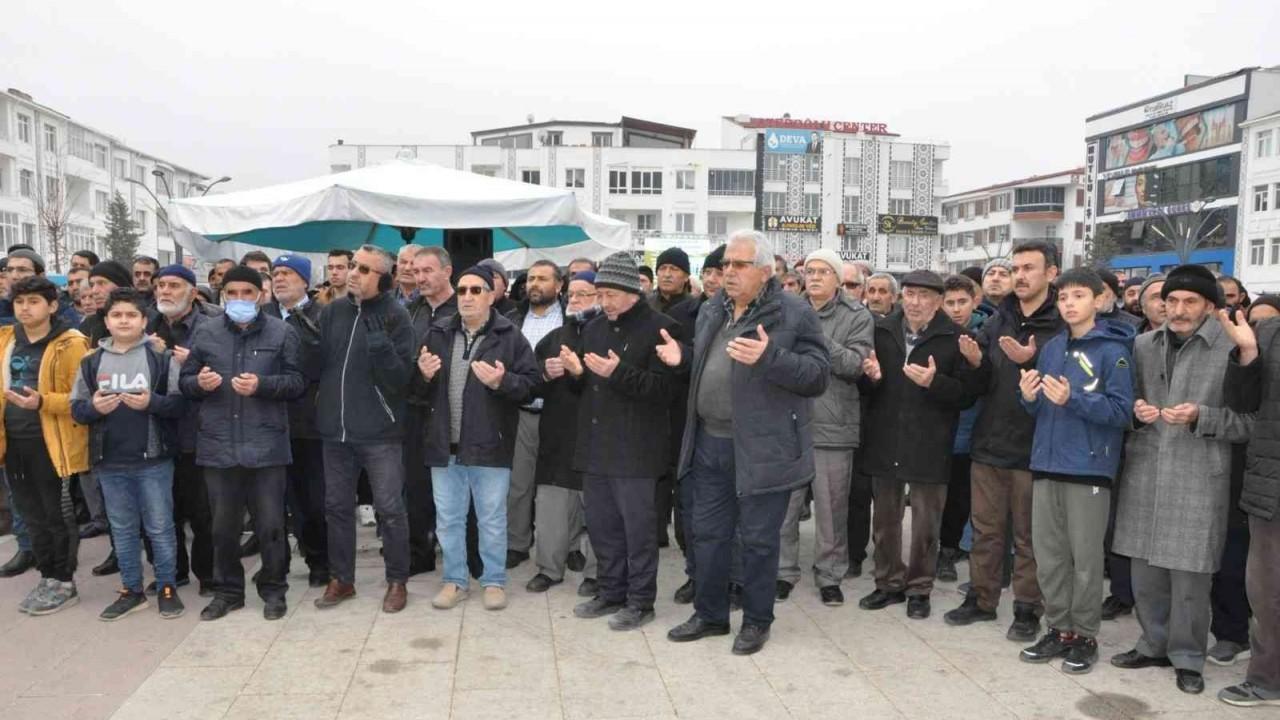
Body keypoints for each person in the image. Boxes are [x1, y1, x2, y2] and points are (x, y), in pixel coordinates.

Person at [665, 230, 829, 655]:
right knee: (708, 534)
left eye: (739, 266)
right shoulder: (711, 310)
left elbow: (816, 376)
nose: (728, 273)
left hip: (763, 450)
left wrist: (771, 357)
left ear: (765, 270)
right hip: (709, 443)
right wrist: (683, 359)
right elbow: (710, 366)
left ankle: (757, 620)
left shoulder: (794, 314)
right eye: (725, 266)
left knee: (758, 541)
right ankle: (711, 614)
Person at [1110, 264, 1250, 695]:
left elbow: (1249, 423)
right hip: (1146, 469)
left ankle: (1188, 656)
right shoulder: (1141, 345)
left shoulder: (1232, 348)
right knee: (1145, 567)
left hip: (1199, 473)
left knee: (1190, 574)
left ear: (1210, 306)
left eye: (1190, 301)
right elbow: (1125, 403)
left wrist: (1199, 417)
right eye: (1171, 300)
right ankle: (1152, 643)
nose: (1179, 309)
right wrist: (1136, 413)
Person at [1015, 268, 1134, 675]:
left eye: (1078, 295)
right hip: (1046, 463)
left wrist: (1075, 400)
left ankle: (1085, 635)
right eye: (1063, 297)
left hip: (1088, 468)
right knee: (1048, 557)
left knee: (1085, 559)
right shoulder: (1051, 348)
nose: (1068, 303)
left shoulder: (1113, 349)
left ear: (1099, 301)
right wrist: (1030, 399)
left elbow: (1122, 412)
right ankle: (1059, 628)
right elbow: (1044, 407)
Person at [945, 241, 1063, 642]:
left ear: (1051, 273)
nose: (1021, 276)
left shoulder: (1061, 323)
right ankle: (981, 598)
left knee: (1029, 537)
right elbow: (980, 385)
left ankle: (1028, 608)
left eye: (1029, 267)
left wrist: (1030, 360)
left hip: (1036, 447)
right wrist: (975, 363)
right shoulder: (999, 319)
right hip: (989, 443)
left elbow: (1066, 387)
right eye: (1016, 268)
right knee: (986, 530)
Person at [180, 266, 304, 621]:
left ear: (261, 295)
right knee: (222, 527)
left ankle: (274, 590)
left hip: (266, 446)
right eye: (231, 293)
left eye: (246, 293)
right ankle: (228, 591)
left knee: (271, 525)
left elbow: (297, 383)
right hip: (219, 445)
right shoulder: (206, 332)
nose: (238, 300)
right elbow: (186, 381)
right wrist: (199, 383)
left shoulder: (282, 332)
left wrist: (263, 386)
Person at [858, 270, 980, 620]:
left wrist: (934, 383)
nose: (914, 302)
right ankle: (887, 583)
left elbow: (967, 395)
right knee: (884, 519)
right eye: (909, 294)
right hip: (885, 438)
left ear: (939, 301)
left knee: (927, 522)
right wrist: (871, 378)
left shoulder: (956, 338)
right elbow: (864, 388)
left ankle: (919, 588)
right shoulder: (880, 330)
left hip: (931, 442)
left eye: (923, 296)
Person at [416, 265, 538, 612]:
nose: (467, 296)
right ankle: (455, 580)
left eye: (476, 290)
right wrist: (422, 377)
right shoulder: (437, 332)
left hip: (490, 445)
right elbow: (415, 394)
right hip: (444, 446)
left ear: (491, 295)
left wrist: (503, 383)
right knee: (449, 519)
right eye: (462, 290)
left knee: (492, 519)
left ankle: (494, 580)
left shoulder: (510, 336)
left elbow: (531, 386)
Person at [568, 251, 678, 632]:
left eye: (611, 295)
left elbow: (665, 390)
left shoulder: (662, 328)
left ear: (632, 292)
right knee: (602, 528)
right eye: (600, 295)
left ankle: (640, 600)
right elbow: (587, 389)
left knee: (639, 533)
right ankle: (610, 591)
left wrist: (619, 374)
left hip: (637, 452)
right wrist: (576, 374)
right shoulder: (594, 329)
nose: (604, 302)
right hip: (597, 448)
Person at [71, 288, 188, 621]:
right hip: (109, 462)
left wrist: (153, 402)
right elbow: (76, 409)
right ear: (106, 320)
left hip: (153, 460)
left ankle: (167, 586)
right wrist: (93, 407)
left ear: (143, 320)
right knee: (121, 529)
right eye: (117, 315)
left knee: (160, 526)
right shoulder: (91, 361)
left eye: (131, 315)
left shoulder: (160, 359)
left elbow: (180, 405)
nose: (124, 320)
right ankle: (132, 590)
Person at [314, 245, 416, 614]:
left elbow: (402, 381)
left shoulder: (396, 316)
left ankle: (397, 581)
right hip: (335, 432)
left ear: (384, 279)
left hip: (380, 432)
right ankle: (342, 580)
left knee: (390, 508)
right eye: (353, 265)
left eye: (365, 269)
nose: (354, 273)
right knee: (337, 507)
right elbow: (320, 366)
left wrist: (380, 346)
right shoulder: (334, 311)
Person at [777, 249, 872, 605]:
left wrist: (817, 335)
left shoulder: (856, 315)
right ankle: (783, 571)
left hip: (833, 425)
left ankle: (829, 574)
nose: (813, 277)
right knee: (785, 507)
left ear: (836, 278)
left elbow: (853, 364)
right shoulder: (786, 308)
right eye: (809, 271)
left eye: (822, 272)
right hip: (788, 423)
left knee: (831, 509)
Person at [1, 277, 90, 615]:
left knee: (58, 515)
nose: (25, 308)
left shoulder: (72, 344)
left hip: (54, 443)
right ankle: (47, 574)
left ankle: (64, 581)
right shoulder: (6, 339)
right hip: (14, 441)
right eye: (20, 302)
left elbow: (83, 399)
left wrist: (42, 402)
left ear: (52, 306)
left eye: (33, 301)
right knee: (30, 514)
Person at [1218, 304, 1280, 708]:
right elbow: (1240, 403)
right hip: (1272, 488)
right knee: (1267, 592)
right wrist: (1247, 353)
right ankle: (1267, 679)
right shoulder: (1268, 334)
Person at [146, 265, 219, 597]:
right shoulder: (148, 325)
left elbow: (224, 370)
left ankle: (208, 574)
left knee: (202, 511)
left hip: (197, 431)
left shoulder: (210, 327)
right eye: (161, 285)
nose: (165, 291)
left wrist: (192, 363)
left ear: (192, 292)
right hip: (155, 431)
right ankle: (172, 572)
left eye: (174, 286)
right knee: (163, 511)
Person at [527, 271, 600, 596]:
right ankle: (549, 569)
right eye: (571, 294)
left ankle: (599, 573)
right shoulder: (553, 338)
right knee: (551, 512)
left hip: (597, 439)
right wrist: (545, 372)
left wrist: (579, 372)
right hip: (556, 437)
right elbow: (527, 381)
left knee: (599, 512)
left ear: (600, 297)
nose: (575, 300)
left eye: (584, 294)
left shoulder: (607, 336)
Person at [264, 254, 328, 588]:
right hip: (268, 422)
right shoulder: (264, 316)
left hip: (309, 424)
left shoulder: (321, 315)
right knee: (272, 502)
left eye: (288, 273)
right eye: (276, 273)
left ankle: (319, 560)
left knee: (311, 500)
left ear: (305, 281)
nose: (280, 279)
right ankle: (277, 565)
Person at [503, 260, 565, 569]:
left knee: (562, 485)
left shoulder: (571, 319)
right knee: (519, 483)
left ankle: (569, 546)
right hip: (522, 412)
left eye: (542, 279)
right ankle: (516, 542)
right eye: (530, 279)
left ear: (559, 285)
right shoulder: (512, 319)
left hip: (561, 413)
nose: (534, 284)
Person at [403, 246, 457, 573]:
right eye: (416, 271)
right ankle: (418, 553)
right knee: (415, 487)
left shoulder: (465, 307)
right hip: (414, 411)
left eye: (427, 271)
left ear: (447, 271)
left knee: (455, 491)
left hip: (454, 412)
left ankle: (459, 556)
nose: (419, 277)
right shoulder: (410, 311)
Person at [937, 274, 986, 583]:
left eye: (962, 302)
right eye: (950, 302)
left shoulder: (987, 333)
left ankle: (949, 550)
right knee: (932, 498)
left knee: (959, 497)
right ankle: (932, 548)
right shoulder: (937, 334)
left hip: (971, 432)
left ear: (975, 301)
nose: (956, 309)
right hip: (937, 430)